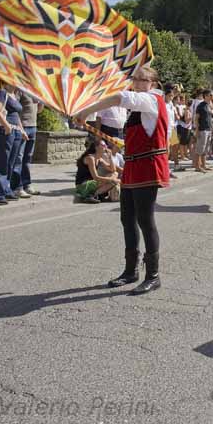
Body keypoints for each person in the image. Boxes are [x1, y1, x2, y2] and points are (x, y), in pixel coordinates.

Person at [75, 65, 170, 295]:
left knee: (145, 221)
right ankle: (130, 270)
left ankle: (153, 275)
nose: (138, 83)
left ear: (154, 83)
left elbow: (119, 97)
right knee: (127, 218)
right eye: (135, 79)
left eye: (144, 79)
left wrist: (86, 111)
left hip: (147, 167)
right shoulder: (141, 105)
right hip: (133, 166)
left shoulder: (150, 100)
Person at [0, 82, 28, 205]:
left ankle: (6, 189)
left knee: (10, 162)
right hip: (4, 131)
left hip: (15, 131)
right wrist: (6, 125)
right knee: (1, 162)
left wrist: (21, 130)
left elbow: (16, 115)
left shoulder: (15, 95)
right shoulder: (2, 93)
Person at [11, 91, 40, 198]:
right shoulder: (20, 90)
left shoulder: (36, 92)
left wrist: (40, 104)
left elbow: (38, 111)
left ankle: (26, 185)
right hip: (23, 127)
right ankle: (17, 188)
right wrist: (20, 128)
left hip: (33, 127)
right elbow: (15, 110)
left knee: (27, 158)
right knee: (18, 158)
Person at [193, 89, 213, 173]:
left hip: (208, 129)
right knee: (199, 149)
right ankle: (197, 166)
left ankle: (203, 165)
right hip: (202, 129)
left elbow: (210, 118)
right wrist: (197, 130)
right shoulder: (200, 106)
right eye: (210, 95)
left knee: (206, 149)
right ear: (205, 96)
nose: (212, 97)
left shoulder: (209, 105)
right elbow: (196, 118)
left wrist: (212, 129)